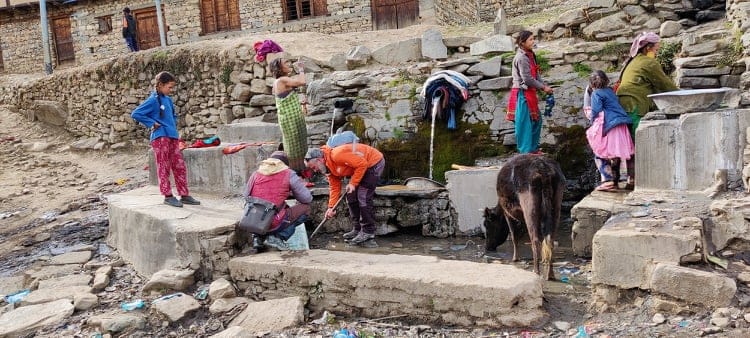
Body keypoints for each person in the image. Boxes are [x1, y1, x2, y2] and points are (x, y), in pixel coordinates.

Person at [615, 32, 678, 190]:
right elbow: (665, 86)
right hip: (633, 105)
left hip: (624, 104)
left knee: (630, 142)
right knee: (638, 141)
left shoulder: (634, 61)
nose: (656, 53)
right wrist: (683, 97)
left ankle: (630, 178)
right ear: (648, 48)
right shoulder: (649, 63)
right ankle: (637, 179)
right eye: (656, 49)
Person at [131, 71, 200, 207]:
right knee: (164, 166)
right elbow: (136, 113)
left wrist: (173, 128)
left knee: (179, 166)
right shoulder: (152, 100)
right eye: (169, 87)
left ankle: (184, 194)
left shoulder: (167, 100)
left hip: (172, 136)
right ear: (160, 85)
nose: (171, 90)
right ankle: (168, 196)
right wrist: (152, 123)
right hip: (160, 137)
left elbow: (173, 116)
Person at [304, 143, 385, 246]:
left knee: (363, 196)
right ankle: (357, 229)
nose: (315, 170)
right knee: (351, 197)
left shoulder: (337, 155)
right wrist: (331, 207)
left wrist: (353, 183)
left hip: (373, 163)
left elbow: (362, 164)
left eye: (313, 167)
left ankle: (368, 231)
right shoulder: (327, 167)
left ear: (319, 160)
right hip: (360, 167)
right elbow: (334, 187)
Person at [243, 151, 312, 251]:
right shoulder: (289, 174)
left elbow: (246, 196)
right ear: (285, 164)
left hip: (253, 219)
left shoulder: (256, 173)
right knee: (306, 209)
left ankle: (257, 238)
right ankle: (277, 237)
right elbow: (306, 198)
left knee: (261, 208)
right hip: (274, 221)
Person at [584, 71, 634, 191]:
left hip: (610, 125)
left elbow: (596, 110)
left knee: (599, 152)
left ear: (591, 84)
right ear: (606, 80)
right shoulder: (610, 91)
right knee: (615, 155)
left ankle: (608, 180)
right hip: (621, 124)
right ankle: (615, 182)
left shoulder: (596, 94)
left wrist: (591, 121)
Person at [507, 30, 554, 154]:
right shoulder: (521, 57)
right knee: (524, 124)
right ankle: (525, 152)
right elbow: (527, 79)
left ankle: (533, 149)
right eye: (531, 40)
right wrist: (543, 88)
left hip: (530, 93)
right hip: (522, 93)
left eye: (534, 39)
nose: (533, 42)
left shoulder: (530, 55)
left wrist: (543, 85)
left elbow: (536, 73)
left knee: (536, 121)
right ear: (522, 43)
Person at [270, 57, 308, 173]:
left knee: (295, 144)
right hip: (290, 119)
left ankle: (298, 172)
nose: (289, 64)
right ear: (280, 68)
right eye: (285, 63)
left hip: (289, 118)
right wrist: (301, 69)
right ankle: (296, 173)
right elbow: (302, 82)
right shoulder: (282, 80)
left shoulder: (279, 81)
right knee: (294, 146)